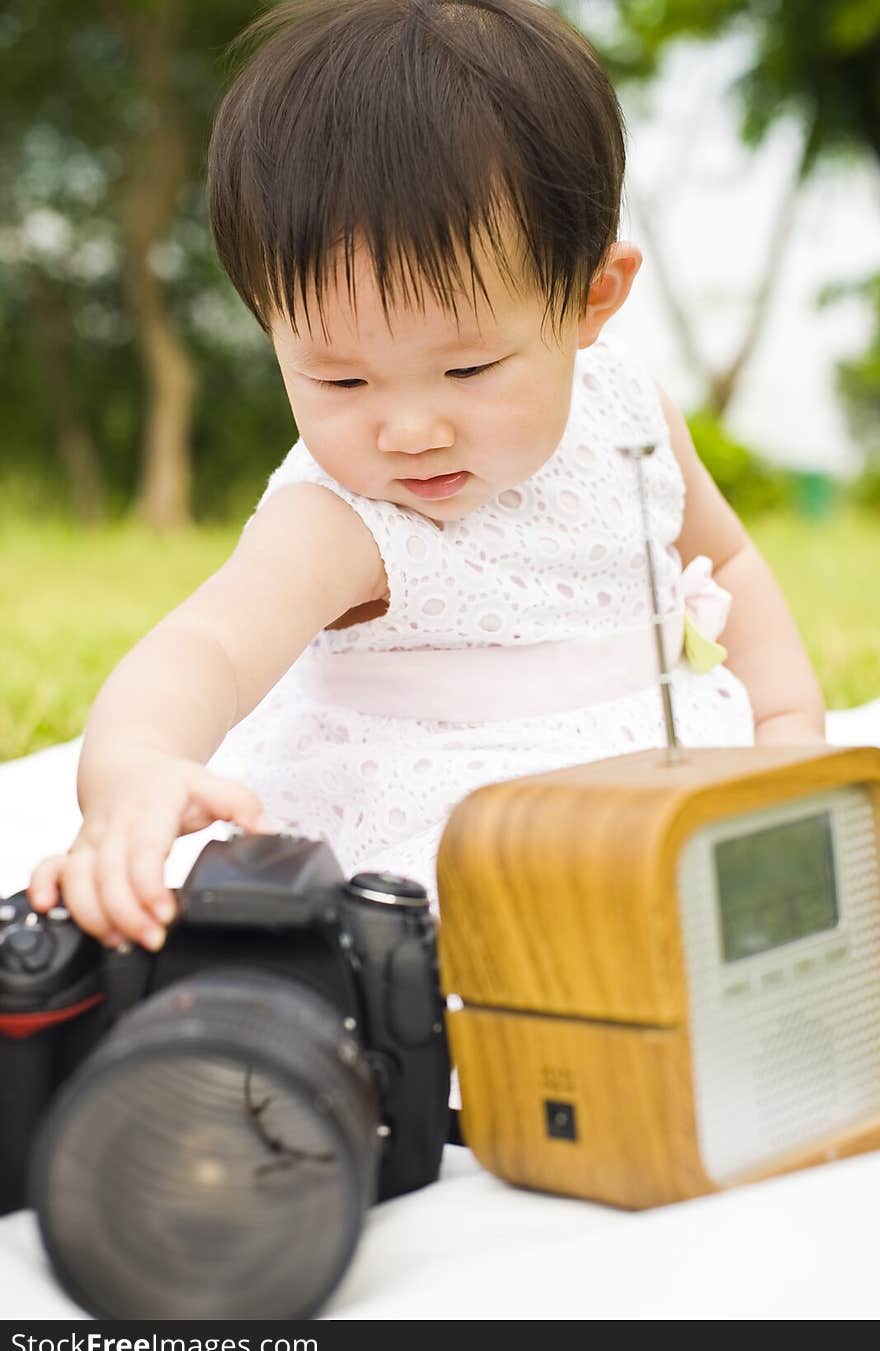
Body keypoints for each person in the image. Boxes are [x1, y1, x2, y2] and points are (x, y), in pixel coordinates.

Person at [28, 0, 825, 951]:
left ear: (590, 297)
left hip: (668, 783)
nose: (410, 430)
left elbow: (724, 566)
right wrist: (136, 768)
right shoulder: (338, 522)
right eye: (339, 376)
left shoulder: (628, 409)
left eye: (468, 369)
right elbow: (204, 648)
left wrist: (784, 731)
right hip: (451, 847)